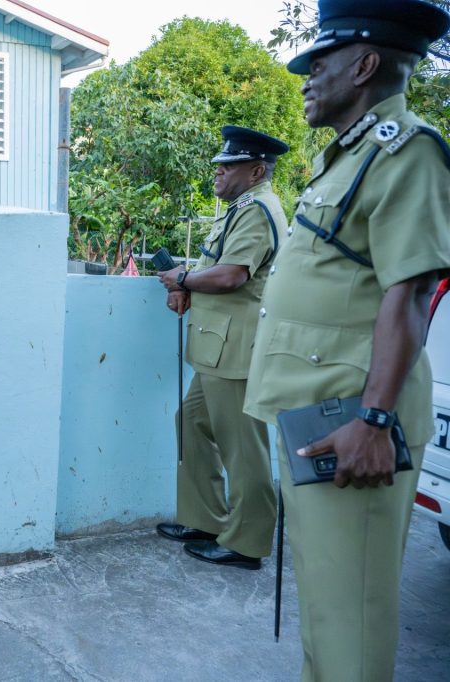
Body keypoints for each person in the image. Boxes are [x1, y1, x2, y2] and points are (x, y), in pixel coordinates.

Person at [243, 1, 450, 679]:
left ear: (364, 65)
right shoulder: (348, 156)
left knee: (352, 623)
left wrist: (375, 419)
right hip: (318, 411)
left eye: (318, 62)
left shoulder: (408, 151)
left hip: (352, 422)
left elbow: (412, 292)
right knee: (329, 611)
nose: (305, 76)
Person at [156, 126, 289, 571]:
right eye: (219, 162)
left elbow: (233, 275)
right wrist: (188, 284)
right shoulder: (237, 207)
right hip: (217, 348)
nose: (218, 169)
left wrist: (183, 280)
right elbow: (216, 265)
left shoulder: (257, 209)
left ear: (255, 171)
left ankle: (247, 543)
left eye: (228, 165)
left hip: (237, 351)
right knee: (190, 423)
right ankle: (206, 519)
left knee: (242, 448)